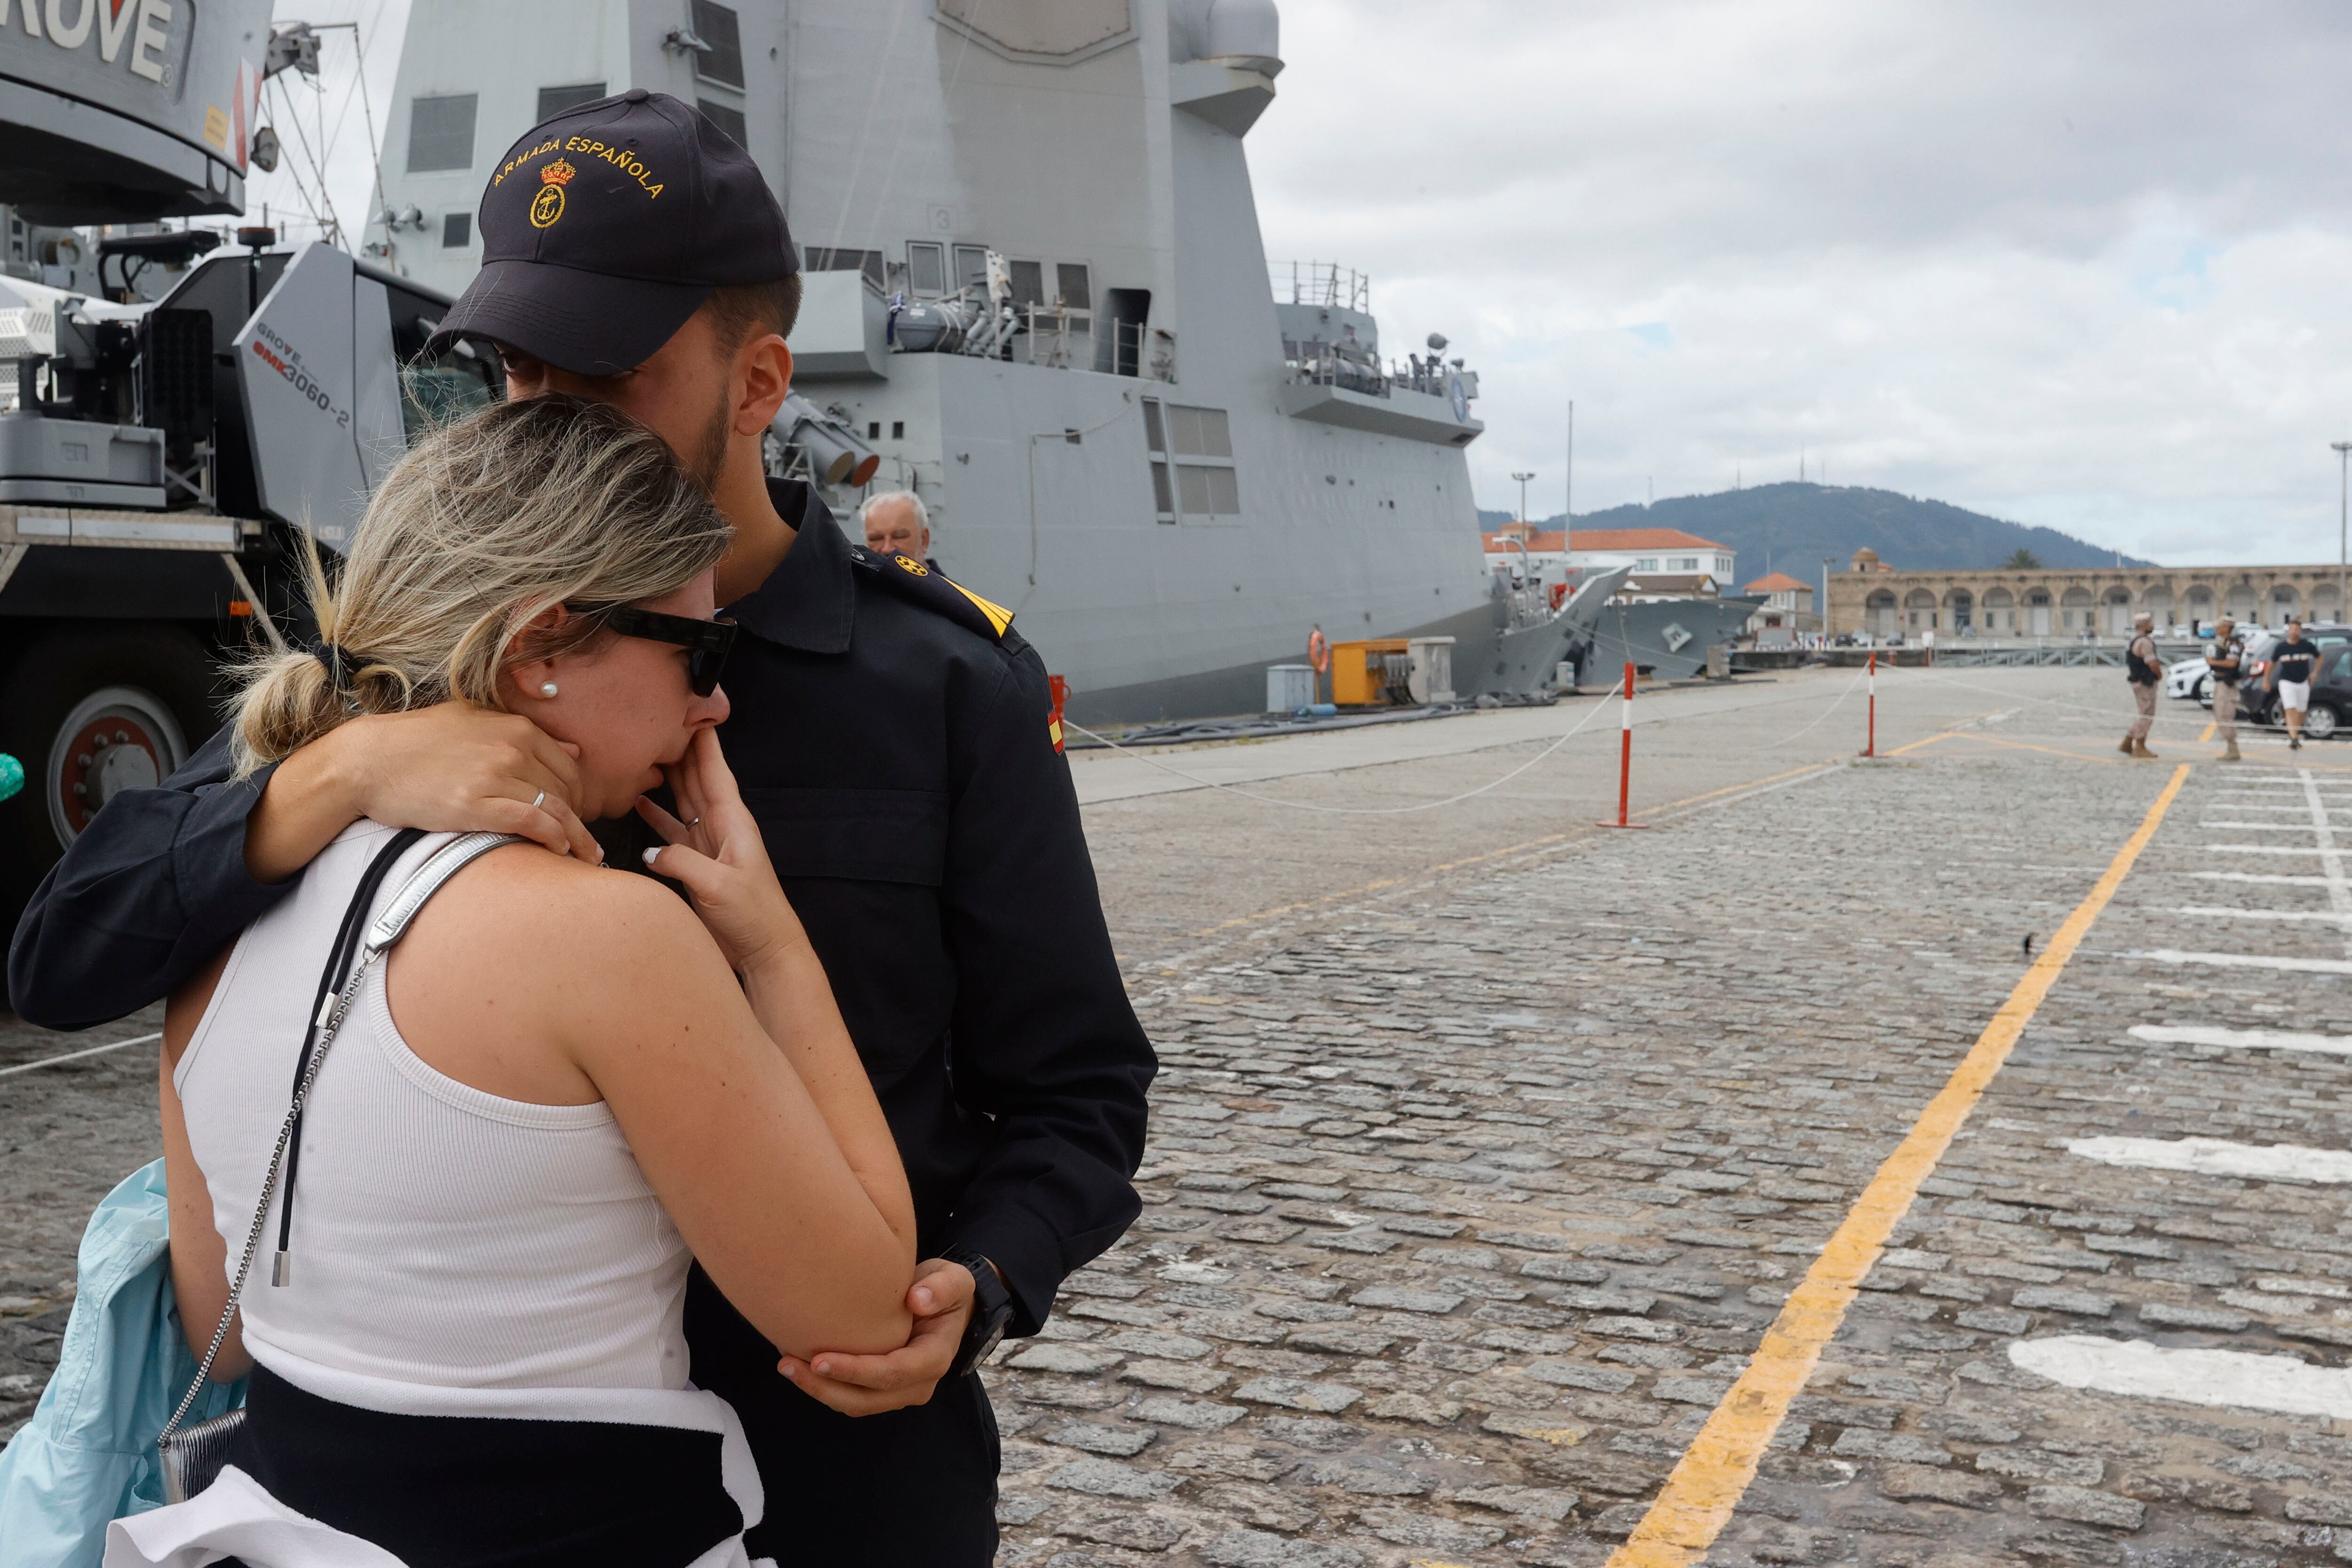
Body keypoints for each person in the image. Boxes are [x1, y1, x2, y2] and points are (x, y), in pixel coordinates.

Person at [11, 91, 1152, 1568]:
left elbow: (1078, 1086)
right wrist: (337, 781)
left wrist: (982, 1275)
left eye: (600, 364)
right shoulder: (391, 685)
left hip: (826, 1455)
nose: (539, 400)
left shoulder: (939, 684)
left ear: (756, 384)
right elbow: (64, 951)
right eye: (512, 358)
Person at [120, 395, 917, 1566]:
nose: (718, 701)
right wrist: (773, 947)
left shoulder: (216, 916)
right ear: (543, 648)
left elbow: (218, 1322)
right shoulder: (611, 937)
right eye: (699, 651)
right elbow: (859, 1309)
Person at [2270, 616, 2322, 751]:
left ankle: (2296, 734)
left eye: (2297, 629)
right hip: (2287, 681)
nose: (2295, 632)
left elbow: (2320, 657)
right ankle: (2293, 737)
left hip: (2303, 681)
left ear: (2301, 631)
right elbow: (2272, 663)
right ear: (2289, 631)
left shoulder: (2307, 645)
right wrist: (2266, 679)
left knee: (2301, 710)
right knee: (2290, 708)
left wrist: (2315, 672)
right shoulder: (2282, 647)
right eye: (2292, 629)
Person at [859, 489, 937, 572]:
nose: (887, 549)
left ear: (924, 540)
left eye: (899, 537)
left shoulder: (946, 585)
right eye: (876, 539)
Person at [2122, 611, 2161, 759]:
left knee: (2142, 713)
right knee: (2147, 714)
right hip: (2146, 682)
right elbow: (2152, 663)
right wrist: (2159, 674)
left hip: (2138, 681)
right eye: (2150, 624)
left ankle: (2128, 741)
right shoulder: (2145, 642)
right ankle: (2140, 744)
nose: (2153, 627)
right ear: (2145, 625)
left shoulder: (2134, 640)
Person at [2206, 616, 2244, 762]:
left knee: (2224, 714)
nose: (2217, 629)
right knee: (2220, 714)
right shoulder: (2225, 642)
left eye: (2220, 626)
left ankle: (2233, 748)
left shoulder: (2233, 643)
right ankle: (2231, 747)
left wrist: (2214, 662)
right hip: (2221, 681)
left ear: (2227, 628)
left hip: (2228, 683)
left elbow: (2232, 663)